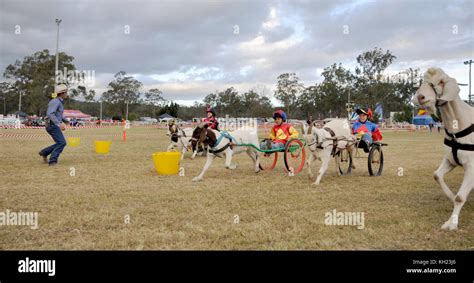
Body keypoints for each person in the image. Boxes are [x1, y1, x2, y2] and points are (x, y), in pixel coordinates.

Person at [38, 84, 69, 166]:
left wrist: (65, 120)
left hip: (52, 125)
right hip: (52, 125)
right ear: (62, 93)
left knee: (59, 142)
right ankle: (52, 161)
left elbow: (57, 115)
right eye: (66, 92)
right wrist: (59, 124)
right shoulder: (56, 101)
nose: (67, 93)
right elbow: (50, 114)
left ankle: (44, 152)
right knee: (62, 143)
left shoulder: (58, 101)